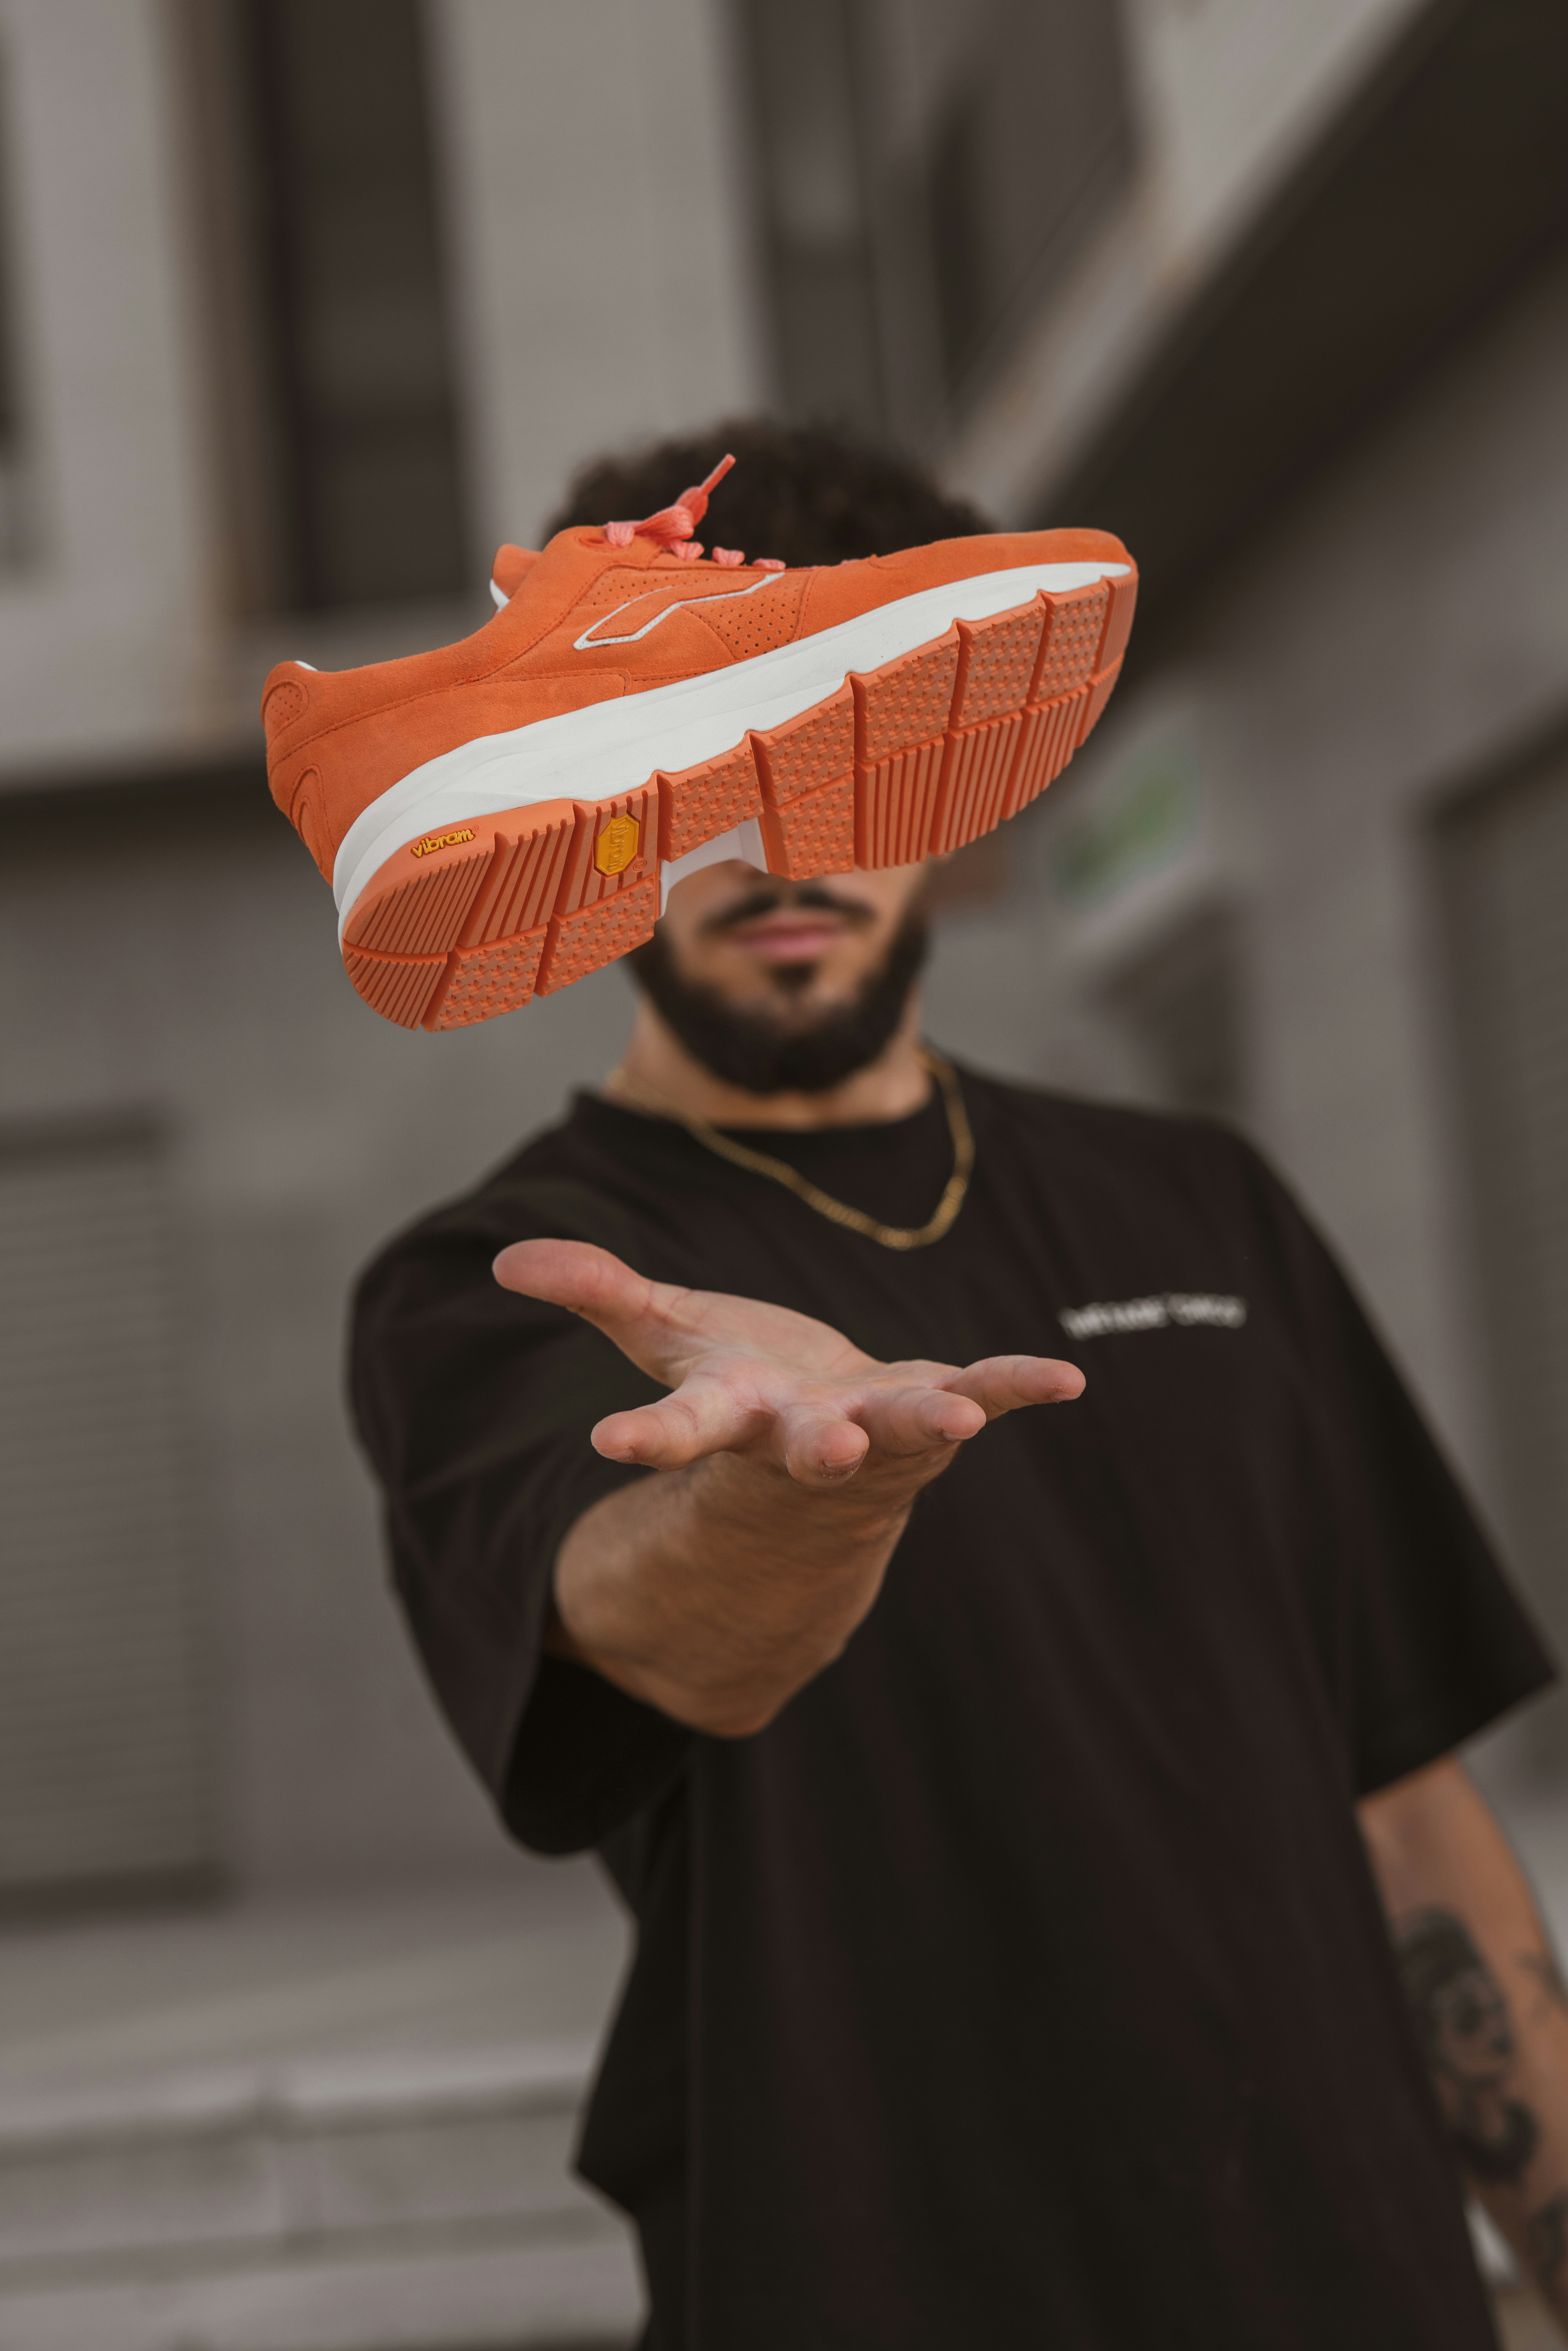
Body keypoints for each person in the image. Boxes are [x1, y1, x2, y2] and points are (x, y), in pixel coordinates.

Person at [351, 423, 1568, 2350]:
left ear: (953, 784)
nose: (785, 842)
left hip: (1350, 2284)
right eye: (707, 760)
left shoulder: (1200, 1196)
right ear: (609, 811)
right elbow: (669, 1638)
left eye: (845, 750)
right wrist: (785, 1503)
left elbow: (1400, 1799)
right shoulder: (507, 1280)